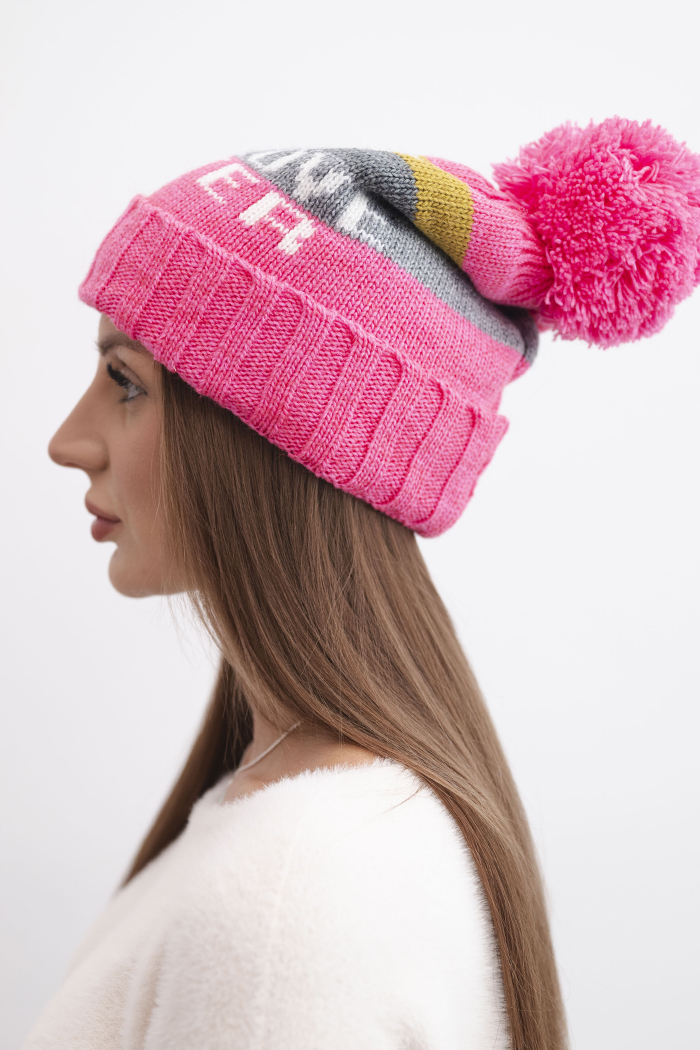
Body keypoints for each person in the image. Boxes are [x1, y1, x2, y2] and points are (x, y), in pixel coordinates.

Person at [26, 120, 700, 1050]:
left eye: (124, 381)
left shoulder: (285, 901)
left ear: (275, 439)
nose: (68, 441)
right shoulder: (301, 834)